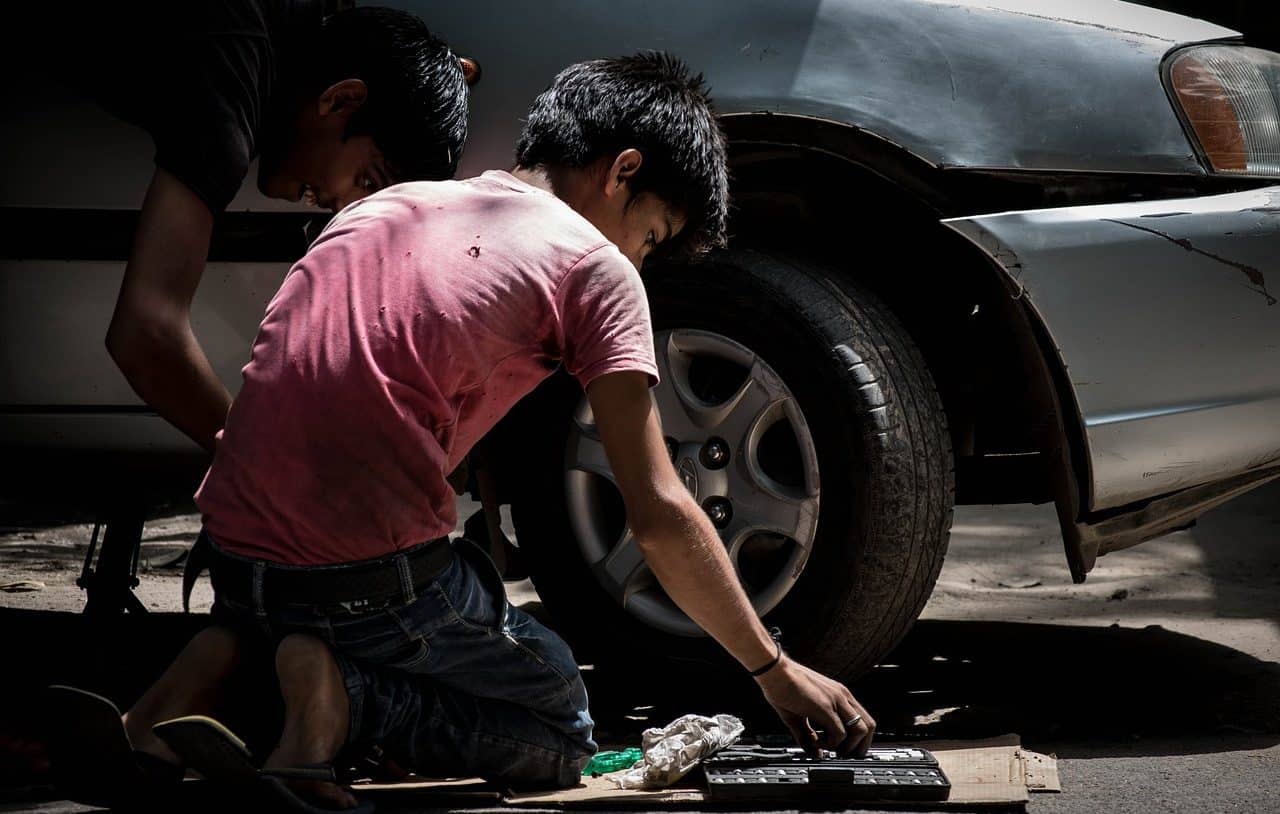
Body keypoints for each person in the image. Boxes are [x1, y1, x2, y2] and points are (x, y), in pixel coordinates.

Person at [54, 53, 875, 811]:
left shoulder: (386, 204)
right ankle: (335, 693)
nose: (642, 258)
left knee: (339, 581)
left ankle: (189, 688)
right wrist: (774, 670)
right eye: (654, 236)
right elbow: (658, 513)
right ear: (624, 172)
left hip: (232, 553)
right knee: (555, 721)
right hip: (361, 581)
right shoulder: (596, 267)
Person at [33, 1, 472, 452]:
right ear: (341, 99)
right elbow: (146, 332)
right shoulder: (231, 80)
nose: (342, 209)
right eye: (366, 180)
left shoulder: (277, 30)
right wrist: (267, 469)